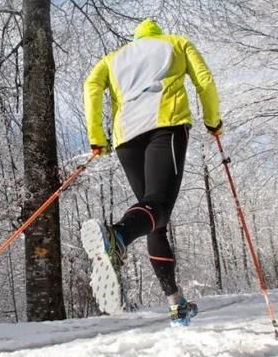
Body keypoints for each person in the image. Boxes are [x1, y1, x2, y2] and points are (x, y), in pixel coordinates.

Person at [81, 18, 221, 326]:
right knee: (157, 206)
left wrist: (96, 136)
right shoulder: (177, 43)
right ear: (157, 33)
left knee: (153, 217)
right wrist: (213, 120)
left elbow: (91, 85)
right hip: (166, 127)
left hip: (126, 138)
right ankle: (117, 235)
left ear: (135, 38)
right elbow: (204, 80)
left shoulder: (113, 58)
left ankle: (176, 302)